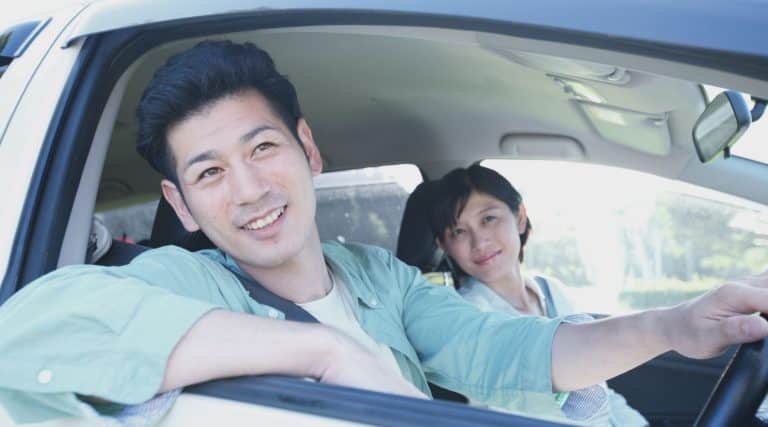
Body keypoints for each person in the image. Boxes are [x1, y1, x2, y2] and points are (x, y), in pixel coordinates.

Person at [1, 40, 768, 424]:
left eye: (262, 149)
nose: (249, 191)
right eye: (209, 174)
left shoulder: (376, 275)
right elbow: (26, 331)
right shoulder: (187, 281)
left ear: (307, 148)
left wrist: (673, 324)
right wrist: (325, 352)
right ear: (182, 201)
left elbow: (506, 348)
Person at [429, 165, 647, 426]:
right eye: (458, 232)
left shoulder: (553, 291)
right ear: (443, 245)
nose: (480, 242)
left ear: (520, 216)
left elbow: (600, 389)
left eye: (488, 219)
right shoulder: (466, 319)